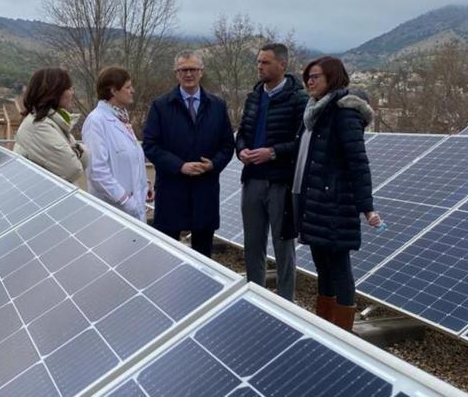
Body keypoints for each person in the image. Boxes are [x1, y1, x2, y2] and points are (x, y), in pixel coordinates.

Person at [292, 56, 381, 331]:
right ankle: (325, 325)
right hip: (314, 200)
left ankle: (343, 331)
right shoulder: (315, 111)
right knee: (322, 264)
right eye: (308, 76)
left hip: (335, 203)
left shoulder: (344, 112)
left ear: (332, 78)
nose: (310, 81)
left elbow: (358, 161)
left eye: (316, 76)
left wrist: (367, 207)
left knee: (339, 267)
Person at [143, 50, 235, 257]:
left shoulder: (217, 106)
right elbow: (150, 145)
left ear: (201, 72)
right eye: (183, 70)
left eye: (193, 69)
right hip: (172, 192)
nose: (188, 74)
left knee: (203, 258)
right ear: (176, 73)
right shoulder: (161, 106)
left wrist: (213, 164)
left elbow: (228, 145)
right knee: (166, 256)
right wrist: (179, 166)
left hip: (205, 191)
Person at [235, 43, 308, 301]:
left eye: (265, 62)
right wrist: (241, 150)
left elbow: (302, 141)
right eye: (258, 62)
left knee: (282, 245)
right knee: (253, 243)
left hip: (280, 182)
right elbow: (243, 131)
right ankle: (255, 296)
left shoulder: (299, 99)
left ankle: (286, 301)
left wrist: (273, 152)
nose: (260, 67)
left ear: (282, 65)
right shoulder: (254, 96)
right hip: (252, 178)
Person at [82, 67, 152, 221]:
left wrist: (143, 185)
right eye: (128, 87)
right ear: (113, 91)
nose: (132, 90)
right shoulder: (96, 121)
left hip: (133, 212)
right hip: (114, 213)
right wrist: (126, 202)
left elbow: (129, 159)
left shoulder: (121, 119)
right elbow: (97, 171)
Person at [14, 67, 87, 183]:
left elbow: (85, 160)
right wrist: (76, 150)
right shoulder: (39, 127)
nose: (72, 92)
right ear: (54, 92)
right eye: (68, 88)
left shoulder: (54, 122)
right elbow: (72, 169)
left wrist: (74, 151)